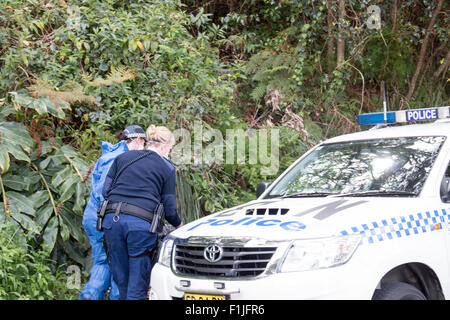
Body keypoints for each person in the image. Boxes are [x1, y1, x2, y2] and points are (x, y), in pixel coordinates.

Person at [101, 125, 183, 300]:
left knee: (122, 281)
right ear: (164, 146)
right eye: (170, 148)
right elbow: (169, 208)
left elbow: (105, 191)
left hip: (111, 223)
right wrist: (179, 225)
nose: (169, 151)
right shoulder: (167, 168)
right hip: (140, 226)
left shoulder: (122, 158)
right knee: (137, 286)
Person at [78, 125, 148, 300]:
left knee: (103, 261)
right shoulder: (119, 158)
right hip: (106, 218)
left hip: (95, 217)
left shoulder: (111, 155)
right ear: (138, 140)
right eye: (144, 144)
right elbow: (105, 192)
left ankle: (90, 295)